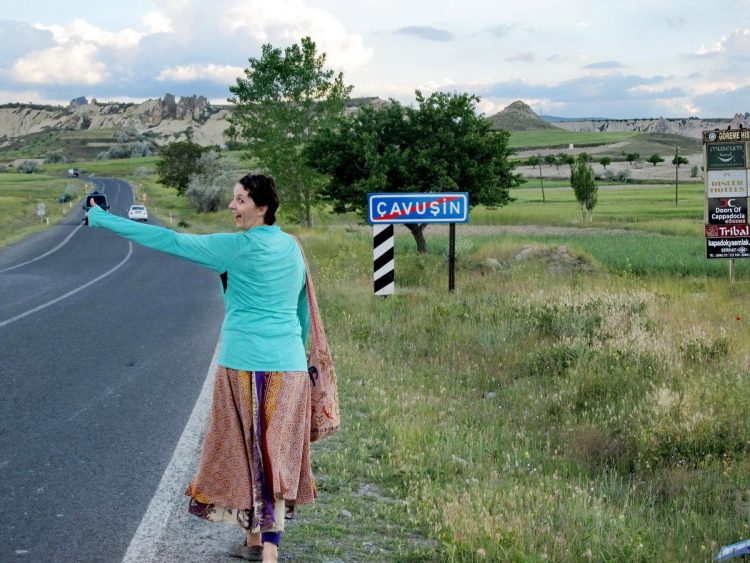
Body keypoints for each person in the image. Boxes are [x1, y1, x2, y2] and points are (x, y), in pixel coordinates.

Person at [87, 174, 315, 563]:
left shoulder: (234, 247)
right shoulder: (293, 247)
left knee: (248, 449)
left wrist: (102, 218)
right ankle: (259, 543)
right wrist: (301, 354)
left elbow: (169, 240)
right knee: (273, 452)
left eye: (240, 200)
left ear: (262, 208)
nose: (232, 206)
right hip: (289, 367)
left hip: (244, 365)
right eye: (233, 199)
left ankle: (269, 553)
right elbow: (302, 310)